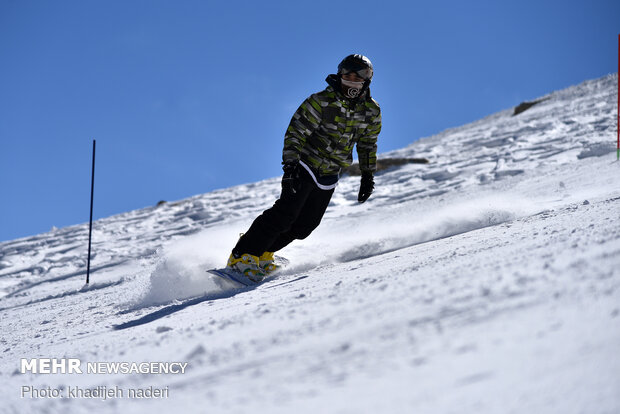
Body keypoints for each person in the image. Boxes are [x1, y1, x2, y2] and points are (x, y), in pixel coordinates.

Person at [226, 54, 382, 281]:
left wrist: (368, 175)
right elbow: (295, 132)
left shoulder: (371, 111)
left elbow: (368, 143)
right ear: (340, 75)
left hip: (330, 171)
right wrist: (290, 166)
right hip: (305, 163)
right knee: (285, 213)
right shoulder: (320, 101)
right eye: (348, 74)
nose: (352, 80)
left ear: (367, 80)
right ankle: (242, 255)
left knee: (305, 226)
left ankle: (264, 254)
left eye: (360, 76)